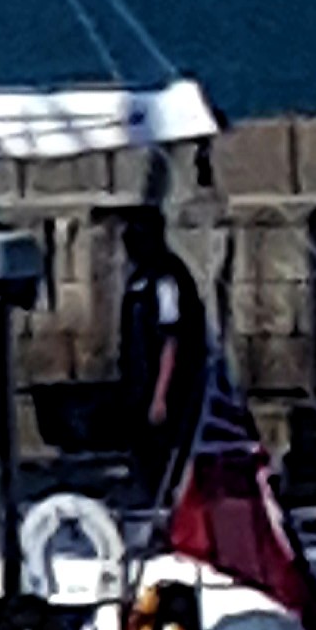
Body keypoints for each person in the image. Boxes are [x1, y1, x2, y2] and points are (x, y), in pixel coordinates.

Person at [115, 208, 208, 501]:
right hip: (137, 384)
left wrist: (161, 395)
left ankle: (167, 507)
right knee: (142, 457)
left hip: (163, 388)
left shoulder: (167, 278)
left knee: (165, 458)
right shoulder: (139, 278)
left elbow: (172, 338)